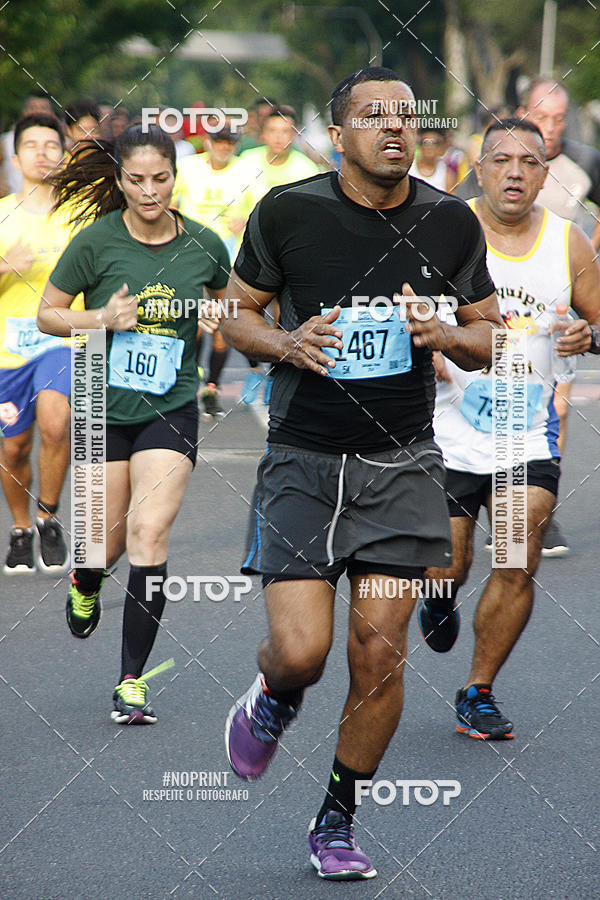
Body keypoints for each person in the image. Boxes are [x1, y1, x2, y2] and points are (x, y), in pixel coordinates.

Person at [222, 67, 502, 880]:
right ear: (337, 135)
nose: (394, 127)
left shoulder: (450, 220)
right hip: (304, 461)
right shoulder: (288, 210)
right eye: (373, 116)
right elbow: (235, 313)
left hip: (402, 459)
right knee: (304, 653)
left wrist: (445, 333)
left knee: (378, 654)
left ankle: (337, 820)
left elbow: (493, 338)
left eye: (406, 116)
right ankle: (273, 691)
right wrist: (285, 342)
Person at [37, 124, 230, 723]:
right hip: (100, 405)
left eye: (161, 179)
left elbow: (237, 308)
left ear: (176, 177)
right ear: (119, 181)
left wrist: (219, 314)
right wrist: (101, 318)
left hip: (169, 406)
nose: (150, 191)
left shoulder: (205, 244)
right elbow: (47, 315)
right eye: (137, 180)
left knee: (149, 534)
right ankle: (86, 581)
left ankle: (130, 681)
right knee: (102, 544)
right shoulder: (94, 243)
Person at [422, 119, 600, 740]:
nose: (515, 173)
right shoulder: (442, 230)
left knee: (518, 552)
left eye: (529, 162)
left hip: (526, 433)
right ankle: (439, 597)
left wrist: (589, 334)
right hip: (446, 431)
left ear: (546, 174)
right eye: (502, 160)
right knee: (448, 564)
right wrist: (430, 344)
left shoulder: (569, 243)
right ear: (480, 168)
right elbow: (398, 307)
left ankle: (478, 690)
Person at [519, 77, 600, 554]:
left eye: (557, 119)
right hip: (505, 299)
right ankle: (498, 502)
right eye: (540, 116)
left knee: (558, 406)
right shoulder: (501, 153)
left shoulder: (584, 160)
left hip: (560, 304)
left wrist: (589, 256)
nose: (548, 127)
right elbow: (459, 211)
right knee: (506, 399)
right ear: (524, 111)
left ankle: (540, 510)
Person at [0, 114, 80, 574]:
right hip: (9, 351)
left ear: (64, 155)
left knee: (56, 422)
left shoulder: (82, 214)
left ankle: (48, 515)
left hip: (63, 340)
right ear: (16, 158)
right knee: (13, 448)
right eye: (31, 145)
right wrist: (6, 266)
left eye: (52, 145)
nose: (42, 153)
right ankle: (20, 527)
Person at [173, 125, 265, 415]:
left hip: (228, 259)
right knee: (191, 322)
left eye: (230, 144)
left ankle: (211, 387)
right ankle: (191, 380)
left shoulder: (246, 171)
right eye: (219, 142)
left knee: (221, 324)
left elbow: (264, 208)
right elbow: (167, 200)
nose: (224, 148)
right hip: (189, 257)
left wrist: (247, 220)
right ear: (207, 142)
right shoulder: (187, 168)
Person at [240, 107, 321, 406]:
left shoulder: (305, 169)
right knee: (243, 312)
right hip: (247, 251)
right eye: (273, 131)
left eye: (286, 132)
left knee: (280, 314)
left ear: (294, 135)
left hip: (286, 254)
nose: (279, 138)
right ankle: (252, 369)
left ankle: (276, 374)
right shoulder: (246, 164)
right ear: (263, 134)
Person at [1, 92, 54, 195]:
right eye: (33, 108)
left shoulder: (64, 143)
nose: (38, 112)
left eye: (43, 108)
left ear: (51, 113)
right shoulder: (6, 141)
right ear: (24, 112)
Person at [409, 127, 454, 192]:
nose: (429, 147)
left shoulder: (447, 174)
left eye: (434, 143)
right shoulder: (408, 169)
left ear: (442, 146)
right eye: (425, 142)